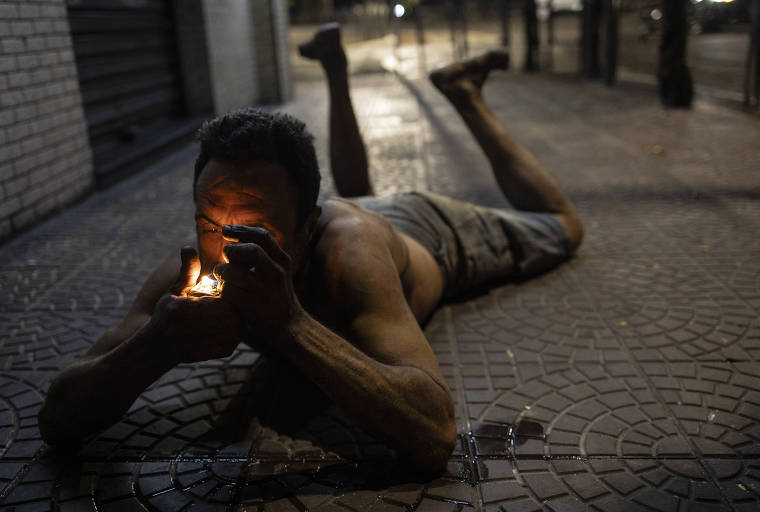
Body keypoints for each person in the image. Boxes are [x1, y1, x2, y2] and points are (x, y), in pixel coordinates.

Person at [38, 23, 582, 472]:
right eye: (212, 223)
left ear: (306, 229)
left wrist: (292, 327)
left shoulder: (347, 259)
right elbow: (57, 419)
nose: (227, 249)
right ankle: (335, 66)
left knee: (564, 226)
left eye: (256, 230)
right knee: (360, 196)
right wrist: (155, 343)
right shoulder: (194, 263)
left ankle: (465, 95)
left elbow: (436, 433)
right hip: (351, 213)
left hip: (424, 230)